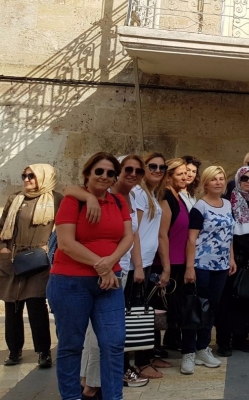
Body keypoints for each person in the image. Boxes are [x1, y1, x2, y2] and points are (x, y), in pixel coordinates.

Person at [47, 153, 133, 400]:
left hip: (109, 282)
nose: (105, 176)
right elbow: (65, 243)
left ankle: (113, 397)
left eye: (110, 173)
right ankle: (72, 397)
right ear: (87, 174)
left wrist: (110, 264)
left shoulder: (118, 202)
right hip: (70, 282)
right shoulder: (73, 201)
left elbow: (128, 237)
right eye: (99, 171)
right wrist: (102, 266)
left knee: (114, 343)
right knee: (71, 346)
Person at [68, 155, 150, 394]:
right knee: (98, 336)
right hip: (97, 269)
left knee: (103, 335)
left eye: (138, 170)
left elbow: (131, 235)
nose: (133, 174)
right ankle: (92, 387)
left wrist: (137, 266)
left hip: (119, 268)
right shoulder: (102, 192)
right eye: (127, 169)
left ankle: (89, 380)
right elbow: (69, 188)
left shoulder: (132, 198)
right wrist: (90, 197)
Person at [0, 164, 60, 368]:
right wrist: (3, 249)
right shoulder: (15, 199)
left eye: (32, 176)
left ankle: (43, 352)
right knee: (12, 305)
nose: (26, 180)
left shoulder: (56, 199)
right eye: (24, 175)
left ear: (44, 177)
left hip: (39, 260)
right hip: (13, 258)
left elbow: (66, 228)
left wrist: (50, 249)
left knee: (36, 305)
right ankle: (14, 350)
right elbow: (1, 227)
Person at [181, 165, 236, 375]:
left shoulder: (228, 204)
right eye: (214, 179)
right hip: (201, 265)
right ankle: (188, 352)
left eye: (221, 178)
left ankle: (203, 348)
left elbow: (229, 235)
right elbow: (191, 239)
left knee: (211, 308)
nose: (219, 182)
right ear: (205, 183)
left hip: (221, 266)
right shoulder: (200, 208)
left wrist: (231, 258)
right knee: (195, 308)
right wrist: (189, 267)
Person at [216, 165, 249, 356]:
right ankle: (224, 341)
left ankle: (241, 337)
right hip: (236, 258)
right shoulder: (228, 201)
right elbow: (230, 230)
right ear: (237, 181)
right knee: (229, 300)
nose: (248, 182)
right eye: (244, 179)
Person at [128, 152, 166, 377]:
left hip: (147, 261)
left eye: (162, 167)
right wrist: (139, 265)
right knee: (135, 313)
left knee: (144, 311)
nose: (158, 171)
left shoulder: (151, 194)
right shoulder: (139, 193)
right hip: (136, 264)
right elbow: (134, 232)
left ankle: (147, 357)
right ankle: (138, 363)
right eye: (153, 166)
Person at [154, 158, 191, 364]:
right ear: (168, 176)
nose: (185, 176)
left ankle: (164, 345)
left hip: (179, 262)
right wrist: (166, 267)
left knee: (170, 308)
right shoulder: (166, 197)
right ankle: (153, 352)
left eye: (187, 173)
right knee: (158, 309)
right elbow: (162, 234)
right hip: (166, 263)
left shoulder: (180, 197)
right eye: (180, 173)